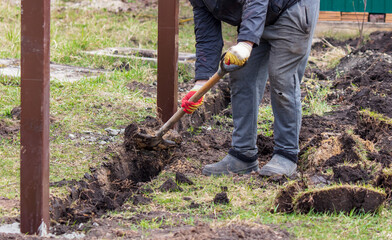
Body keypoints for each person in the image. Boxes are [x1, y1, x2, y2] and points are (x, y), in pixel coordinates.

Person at [181, 0, 320, 177]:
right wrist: (200, 84)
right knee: (242, 75)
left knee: (282, 78)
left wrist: (246, 43)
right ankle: (243, 154)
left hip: (291, 9)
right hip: (255, 17)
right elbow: (206, 33)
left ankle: (286, 154)